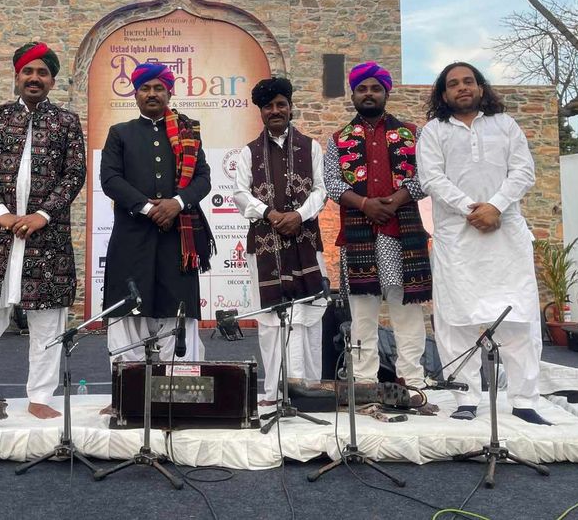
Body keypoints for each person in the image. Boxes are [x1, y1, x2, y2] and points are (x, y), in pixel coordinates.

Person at [417, 61, 550, 425]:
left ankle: (524, 400)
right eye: (454, 84)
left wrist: (496, 207)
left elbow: (524, 172)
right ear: (443, 94)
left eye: (468, 81)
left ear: (480, 87)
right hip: (457, 239)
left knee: (518, 316)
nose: (462, 88)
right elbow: (431, 179)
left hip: (505, 235)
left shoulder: (506, 125)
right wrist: (471, 210)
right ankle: (465, 397)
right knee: (456, 319)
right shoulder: (433, 132)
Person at [0, 42, 86, 419]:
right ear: (17, 77)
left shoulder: (66, 121)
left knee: (48, 318)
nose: (34, 78)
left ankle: (40, 397)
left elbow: (73, 175)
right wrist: (0, 213)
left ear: (52, 81)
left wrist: (42, 216)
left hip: (46, 237)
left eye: (42, 73)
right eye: (27, 72)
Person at [323, 61, 431, 388]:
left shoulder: (412, 133)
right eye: (362, 88)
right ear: (353, 94)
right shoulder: (338, 138)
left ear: (386, 92)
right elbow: (331, 182)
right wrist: (366, 205)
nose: (368, 94)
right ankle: (365, 381)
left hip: (402, 235)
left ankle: (412, 378)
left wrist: (396, 201)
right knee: (362, 316)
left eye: (375, 88)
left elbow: (427, 176)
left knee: (407, 312)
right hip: (359, 237)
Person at [100, 62, 214, 362]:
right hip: (131, 238)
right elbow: (110, 180)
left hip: (178, 239)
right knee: (127, 311)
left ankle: (178, 394)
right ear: (136, 94)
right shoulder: (120, 133)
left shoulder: (188, 132)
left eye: (158, 88)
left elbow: (203, 178)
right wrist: (149, 208)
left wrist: (177, 203)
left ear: (169, 93)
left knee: (179, 310)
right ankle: (128, 396)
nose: (152, 94)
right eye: (145, 89)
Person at [232, 78, 328, 406]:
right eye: (269, 106)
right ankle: (275, 392)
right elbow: (240, 193)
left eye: (281, 104)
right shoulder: (248, 152)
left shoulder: (311, 146)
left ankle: (310, 391)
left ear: (290, 107)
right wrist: (271, 214)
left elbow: (321, 189)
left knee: (309, 318)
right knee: (273, 322)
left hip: (306, 241)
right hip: (265, 245)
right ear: (261, 111)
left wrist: (299, 215)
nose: (276, 111)